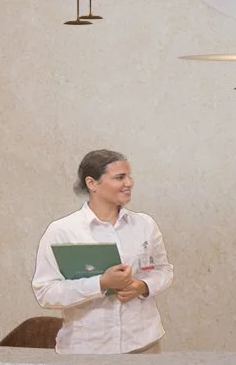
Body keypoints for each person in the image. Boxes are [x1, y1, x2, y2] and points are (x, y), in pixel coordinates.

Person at [33, 150, 174, 354]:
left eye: (129, 176)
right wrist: (100, 284)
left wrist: (141, 286)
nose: (129, 183)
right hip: (87, 348)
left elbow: (164, 271)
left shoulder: (144, 224)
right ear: (92, 184)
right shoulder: (62, 231)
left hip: (143, 343)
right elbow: (45, 292)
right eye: (119, 177)